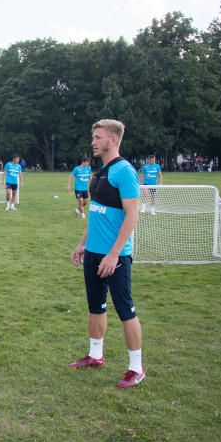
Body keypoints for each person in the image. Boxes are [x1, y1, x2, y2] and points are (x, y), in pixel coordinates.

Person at [69, 119, 145, 389]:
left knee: (125, 309)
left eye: (98, 137)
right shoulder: (101, 171)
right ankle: (95, 355)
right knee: (95, 306)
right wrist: (82, 244)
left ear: (113, 140)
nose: (93, 142)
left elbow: (132, 215)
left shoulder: (125, 172)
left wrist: (114, 254)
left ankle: (136, 368)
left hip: (116, 256)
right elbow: (96, 213)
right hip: (93, 252)